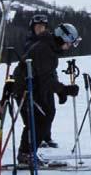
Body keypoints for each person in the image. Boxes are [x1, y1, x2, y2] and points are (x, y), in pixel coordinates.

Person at [12, 22, 80, 165]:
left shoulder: (49, 47)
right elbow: (45, 79)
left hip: (34, 87)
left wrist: (60, 91)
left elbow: (48, 74)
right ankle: (25, 154)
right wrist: (64, 90)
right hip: (25, 87)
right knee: (39, 119)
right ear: (62, 38)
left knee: (44, 116)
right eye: (69, 43)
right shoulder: (45, 49)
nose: (69, 47)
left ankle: (27, 153)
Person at [24, 14, 60, 149]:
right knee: (40, 112)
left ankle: (46, 136)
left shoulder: (48, 41)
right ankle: (37, 138)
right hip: (36, 82)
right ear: (33, 28)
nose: (40, 29)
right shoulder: (31, 42)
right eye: (38, 27)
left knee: (51, 109)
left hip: (48, 81)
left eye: (43, 27)